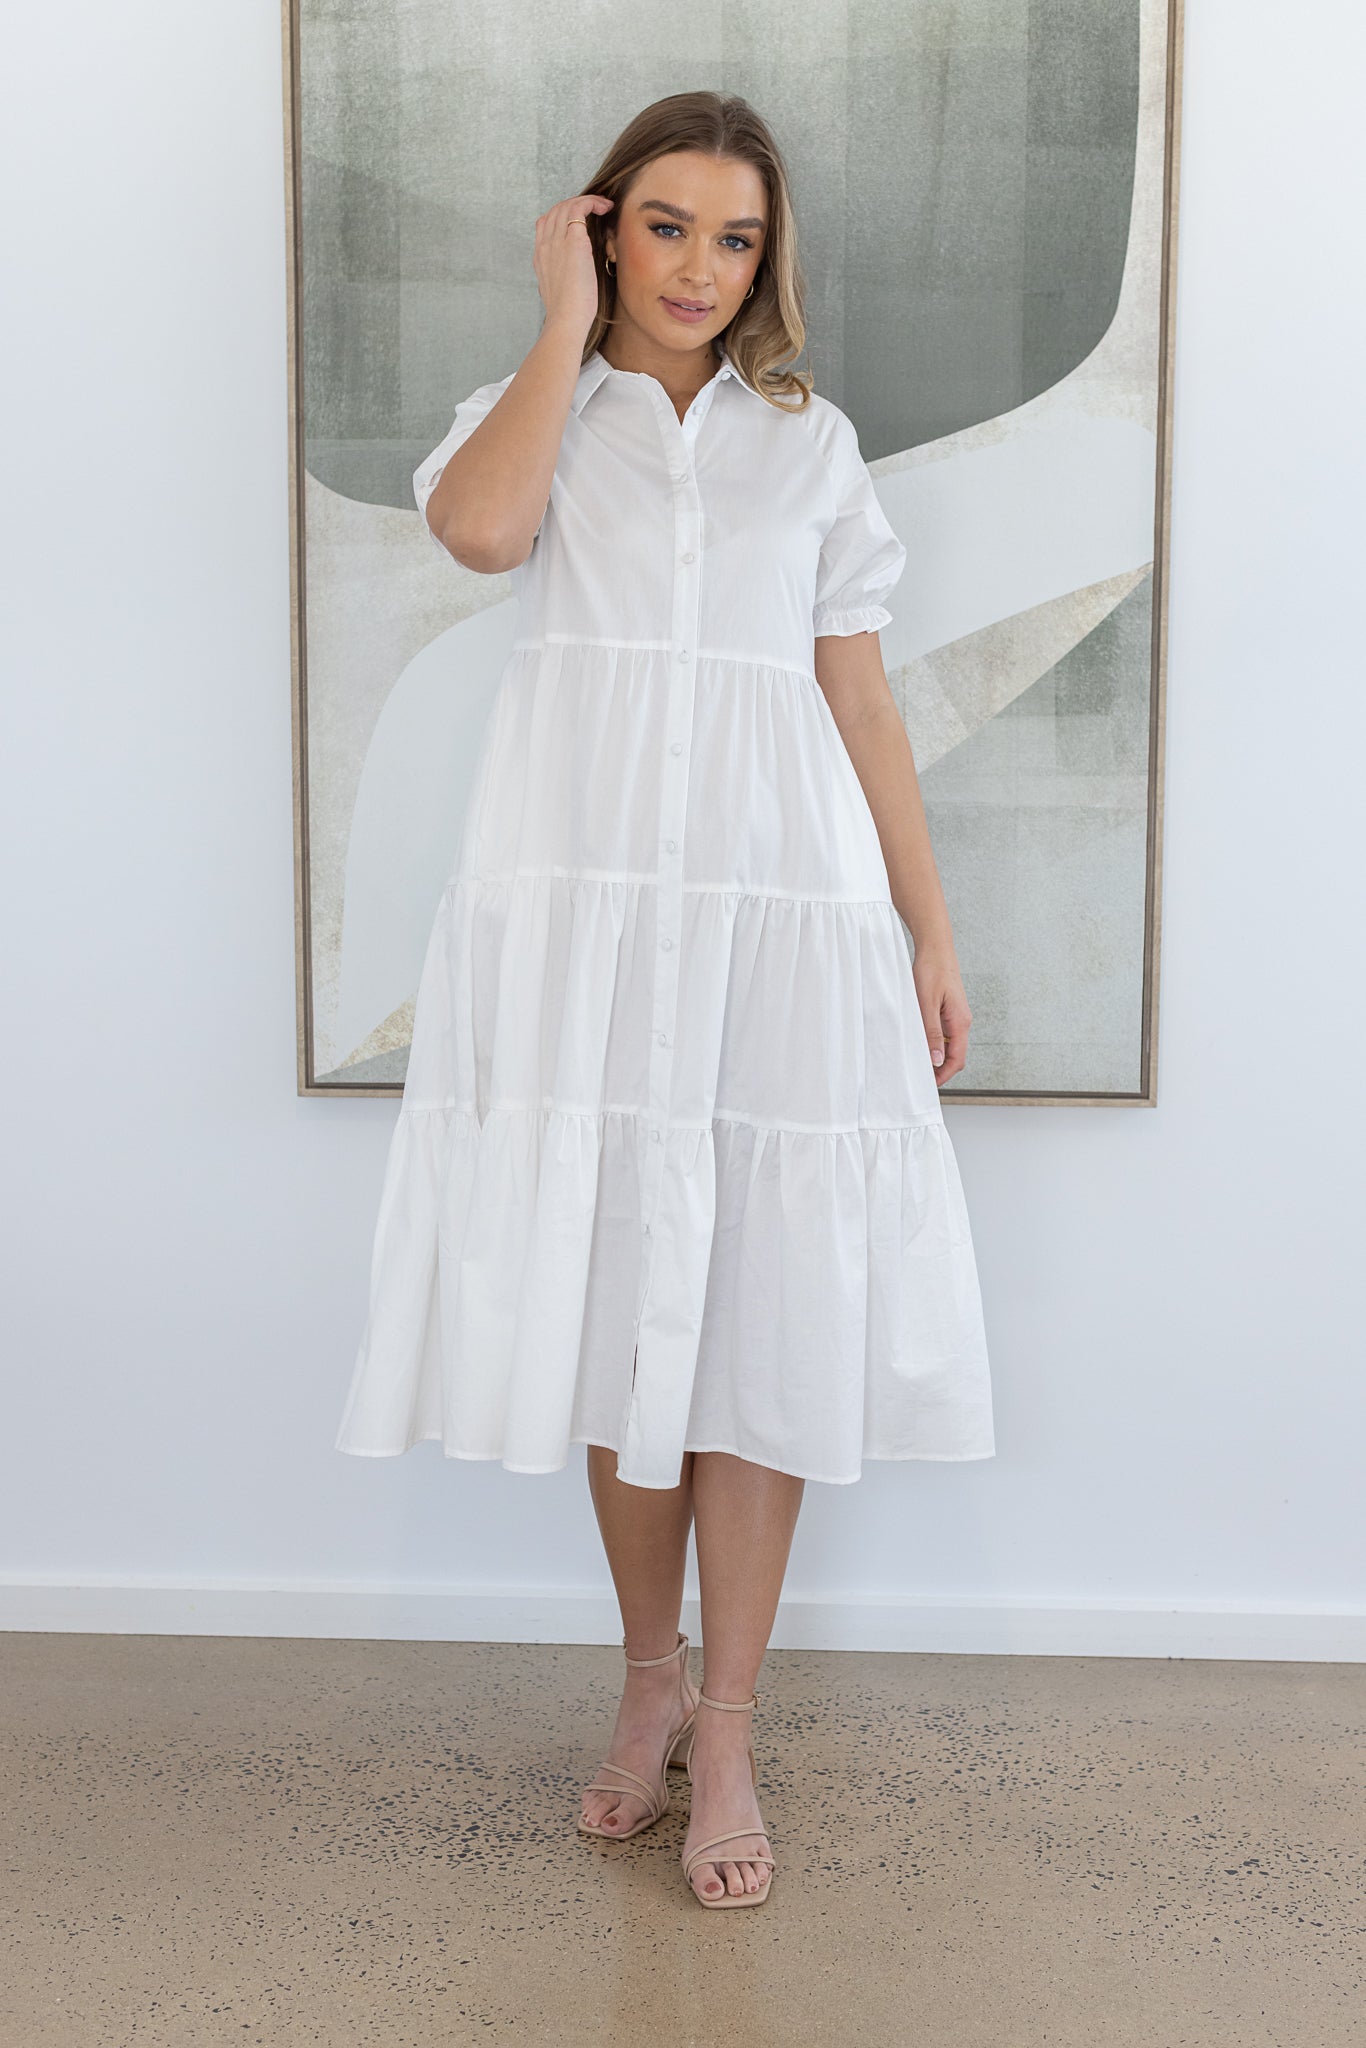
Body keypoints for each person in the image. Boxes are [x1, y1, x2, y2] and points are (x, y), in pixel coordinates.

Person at [334, 90, 995, 1910]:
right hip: (589, 918)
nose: (702, 267)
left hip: (782, 913)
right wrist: (562, 329)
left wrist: (928, 933)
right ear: (601, 226)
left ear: (765, 260)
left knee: (759, 1315)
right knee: (625, 1305)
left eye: (737, 238)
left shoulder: (809, 445)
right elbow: (481, 536)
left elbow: (858, 697)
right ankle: (645, 1685)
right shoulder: (536, 414)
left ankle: (731, 1725)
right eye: (668, 227)